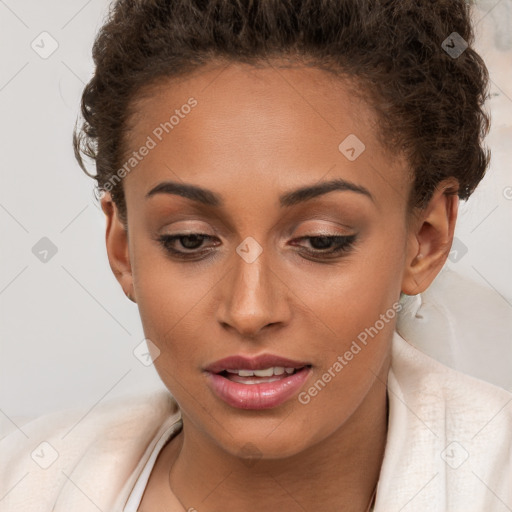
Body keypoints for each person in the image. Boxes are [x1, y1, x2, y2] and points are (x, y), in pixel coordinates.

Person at [1, 0, 511, 511]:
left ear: (425, 239)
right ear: (123, 249)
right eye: (189, 240)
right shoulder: (23, 484)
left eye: (320, 241)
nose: (250, 310)